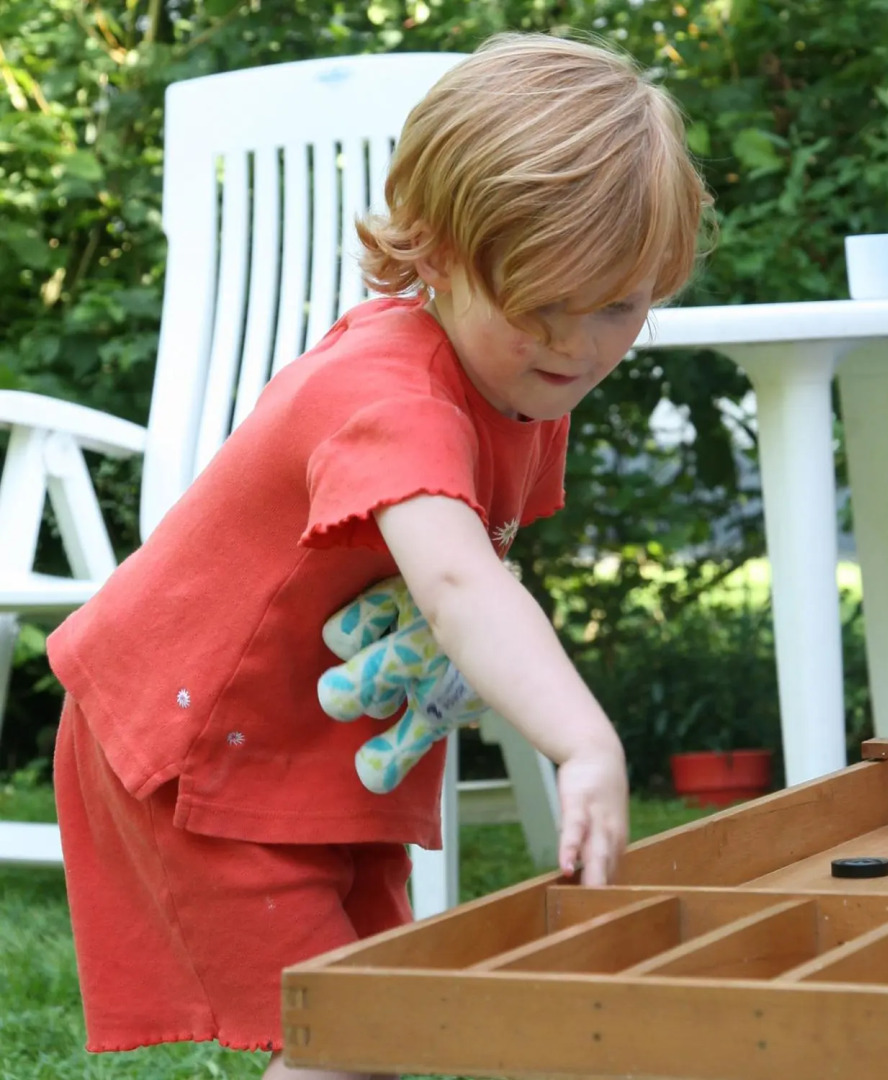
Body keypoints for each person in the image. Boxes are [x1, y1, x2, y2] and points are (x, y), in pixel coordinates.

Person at [47, 32, 710, 1079]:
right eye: (542, 306)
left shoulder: (519, 378)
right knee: (345, 1036)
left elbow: (464, 571)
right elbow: (457, 581)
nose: (581, 347)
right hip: (188, 749)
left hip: (298, 746)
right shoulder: (393, 394)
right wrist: (583, 742)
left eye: (620, 308)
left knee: (375, 1022)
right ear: (438, 255)